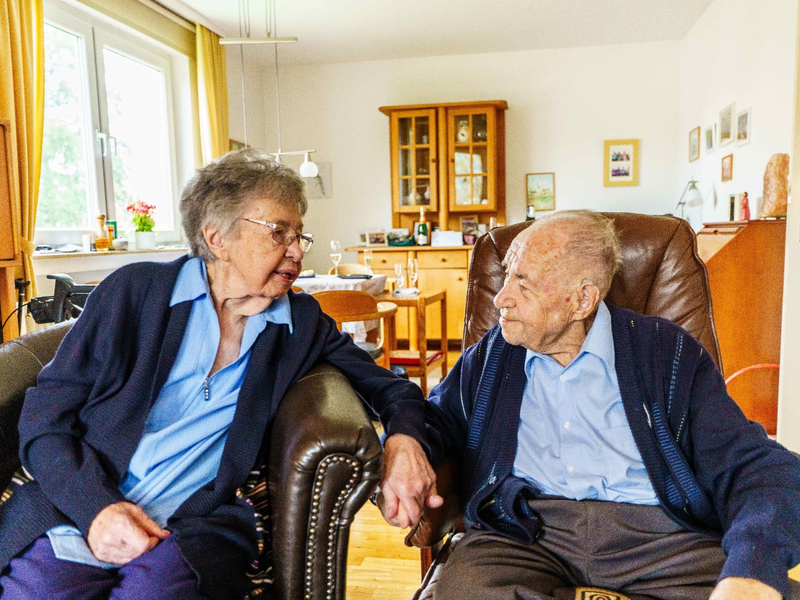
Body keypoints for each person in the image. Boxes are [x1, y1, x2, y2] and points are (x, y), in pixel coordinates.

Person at [0, 149, 441, 600]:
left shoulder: (300, 323)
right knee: (42, 591)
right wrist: (96, 509)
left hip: (191, 524)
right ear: (217, 238)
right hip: (81, 503)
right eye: (279, 233)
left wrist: (403, 441)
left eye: (299, 236)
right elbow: (44, 417)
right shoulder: (134, 292)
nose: (295, 251)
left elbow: (393, 389)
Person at [414, 210, 800, 600]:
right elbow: (435, 421)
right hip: (527, 532)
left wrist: (753, 567)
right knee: (461, 590)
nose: (501, 298)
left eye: (523, 284)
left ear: (582, 299)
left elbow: (755, 465)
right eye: (507, 274)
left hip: (657, 540)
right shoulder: (493, 354)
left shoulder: (666, 352)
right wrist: (404, 447)